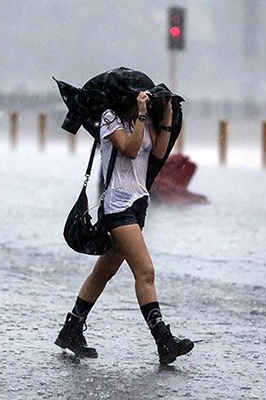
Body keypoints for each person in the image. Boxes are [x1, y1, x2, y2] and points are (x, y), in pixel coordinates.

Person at [55, 90, 195, 365]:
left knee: (104, 271)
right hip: (118, 204)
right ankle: (163, 340)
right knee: (145, 271)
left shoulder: (142, 121)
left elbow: (158, 151)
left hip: (138, 203)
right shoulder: (110, 118)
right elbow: (129, 149)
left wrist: (166, 113)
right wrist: (142, 114)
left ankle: (71, 329)